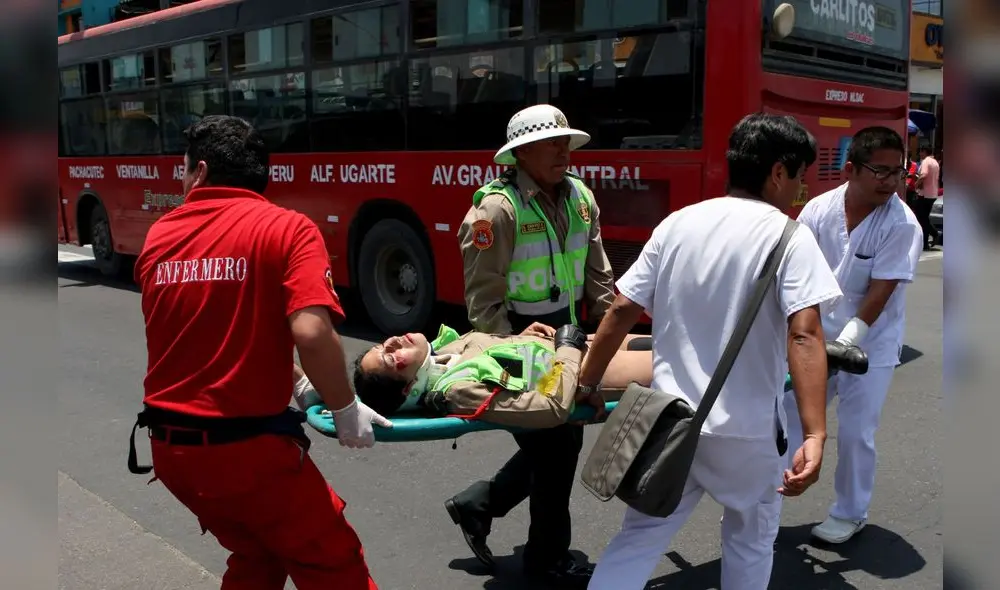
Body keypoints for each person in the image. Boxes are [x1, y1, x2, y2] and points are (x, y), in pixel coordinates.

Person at [575, 113, 843, 590]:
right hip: (748, 435)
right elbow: (804, 335)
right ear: (778, 172)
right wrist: (816, 433)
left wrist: (588, 383)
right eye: (800, 177)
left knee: (637, 541)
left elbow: (619, 311)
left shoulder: (678, 224)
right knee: (749, 541)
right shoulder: (790, 237)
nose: (800, 190)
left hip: (671, 424)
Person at [129, 115, 391, 590]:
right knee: (335, 563)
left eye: (182, 170)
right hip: (248, 454)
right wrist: (345, 409)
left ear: (201, 172)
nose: (181, 180)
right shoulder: (288, 230)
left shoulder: (160, 237)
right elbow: (312, 333)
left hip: (172, 452)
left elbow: (207, 337)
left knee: (259, 552)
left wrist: (301, 383)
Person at [447, 103, 617, 587]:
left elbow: (598, 277)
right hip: (521, 342)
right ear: (521, 154)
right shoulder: (496, 210)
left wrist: (607, 337)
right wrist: (510, 345)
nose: (565, 151)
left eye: (567, 142)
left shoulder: (581, 198)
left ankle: (479, 504)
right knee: (556, 452)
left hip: (568, 339)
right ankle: (545, 559)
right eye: (552, 143)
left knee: (560, 437)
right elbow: (482, 301)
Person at [781, 126, 922, 545]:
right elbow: (796, 271)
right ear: (850, 169)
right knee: (787, 416)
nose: (891, 181)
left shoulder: (902, 224)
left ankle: (850, 511)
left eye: (898, 172)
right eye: (880, 170)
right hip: (815, 336)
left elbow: (881, 291)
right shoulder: (819, 210)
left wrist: (848, 341)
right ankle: (763, 499)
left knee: (857, 431)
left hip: (869, 344)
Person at [292, 323, 653, 428]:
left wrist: (522, 336)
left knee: (680, 335)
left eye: (382, 346)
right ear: (407, 391)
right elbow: (549, 407)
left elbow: (498, 351)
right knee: (689, 358)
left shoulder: (444, 355)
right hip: (587, 370)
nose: (390, 344)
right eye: (390, 359)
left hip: (572, 348)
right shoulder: (456, 390)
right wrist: (569, 348)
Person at [914, 145, 940, 249]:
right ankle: (928, 239)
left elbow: (924, 174)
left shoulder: (926, 161)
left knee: (921, 218)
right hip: (932, 193)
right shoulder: (935, 162)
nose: (920, 154)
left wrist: (917, 183)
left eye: (921, 152)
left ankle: (931, 235)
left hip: (924, 194)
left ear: (924, 152)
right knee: (924, 218)